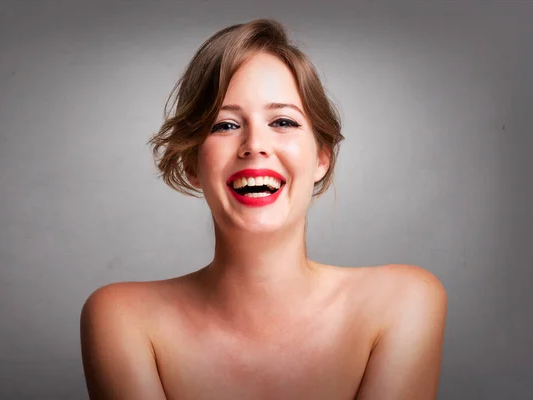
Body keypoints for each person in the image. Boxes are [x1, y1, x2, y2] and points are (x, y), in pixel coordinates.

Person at [79, 19, 447, 400]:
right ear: (191, 164)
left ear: (322, 157)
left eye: (283, 121)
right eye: (224, 125)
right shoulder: (122, 318)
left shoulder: (402, 303)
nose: (254, 145)